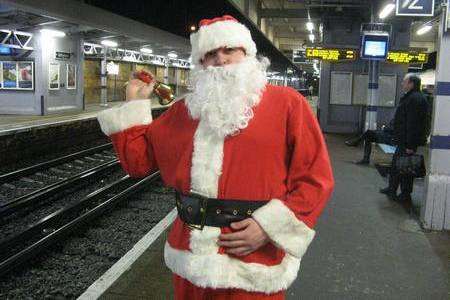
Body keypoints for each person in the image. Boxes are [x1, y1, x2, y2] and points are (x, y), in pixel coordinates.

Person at [97, 15, 334, 299]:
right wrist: (135, 102)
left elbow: (315, 179)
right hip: (191, 258)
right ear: (200, 63)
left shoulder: (288, 104)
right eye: (210, 54)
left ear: (246, 54)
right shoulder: (182, 112)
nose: (220, 60)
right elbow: (138, 163)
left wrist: (269, 227)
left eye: (229, 50)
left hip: (254, 260)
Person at [379, 73, 429, 202]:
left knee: (406, 168)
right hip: (403, 140)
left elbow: (414, 124)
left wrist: (410, 146)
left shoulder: (415, 99)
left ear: (411, 84)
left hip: (407, 142)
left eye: (404, 82)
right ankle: (392, 189)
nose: (402, 84)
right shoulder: (412, 97)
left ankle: (405, 194)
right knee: (397, 166)